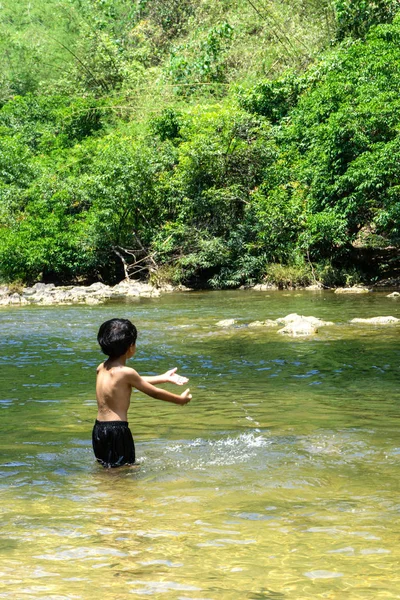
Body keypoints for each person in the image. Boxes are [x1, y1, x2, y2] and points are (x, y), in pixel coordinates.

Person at [92, 318, 192, 468]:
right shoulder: (126, 372)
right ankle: (121, 491)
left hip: (99, 429)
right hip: (117, 431)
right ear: (130, 346)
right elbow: (155, 393)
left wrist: (163, 378)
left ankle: (104, 490)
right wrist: (180, 400)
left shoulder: (102, 367)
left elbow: (133, 381)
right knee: (124, 470)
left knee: (107, 468)